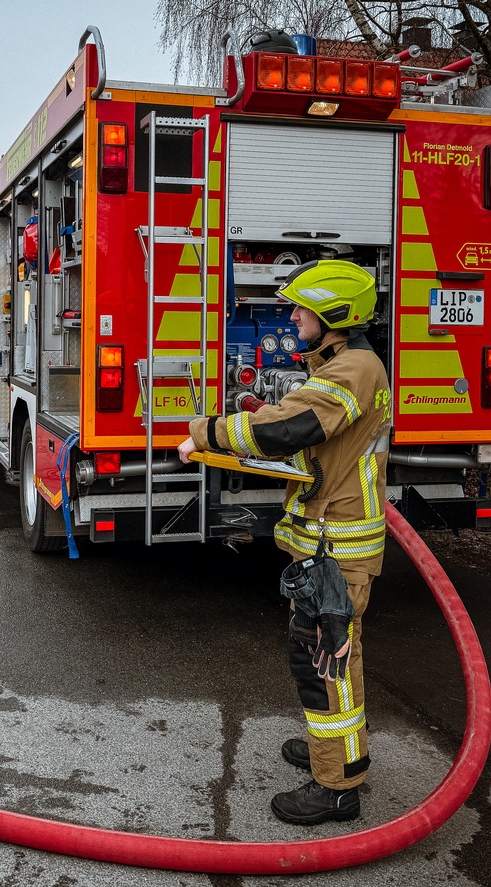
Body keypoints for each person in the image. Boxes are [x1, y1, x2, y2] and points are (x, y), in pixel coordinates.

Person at [178, 260, 391, 825]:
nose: (292, 316)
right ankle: (341, 752)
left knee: (326, 661)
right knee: (326, 657)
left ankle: (337, 786)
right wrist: (257, 413)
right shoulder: (345, 365)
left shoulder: (354, 371)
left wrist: (205, 431)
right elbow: (309, 441)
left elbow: (285, 431)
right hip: (327, 543)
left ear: (335, 317)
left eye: (304, 309)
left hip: (338, 550)